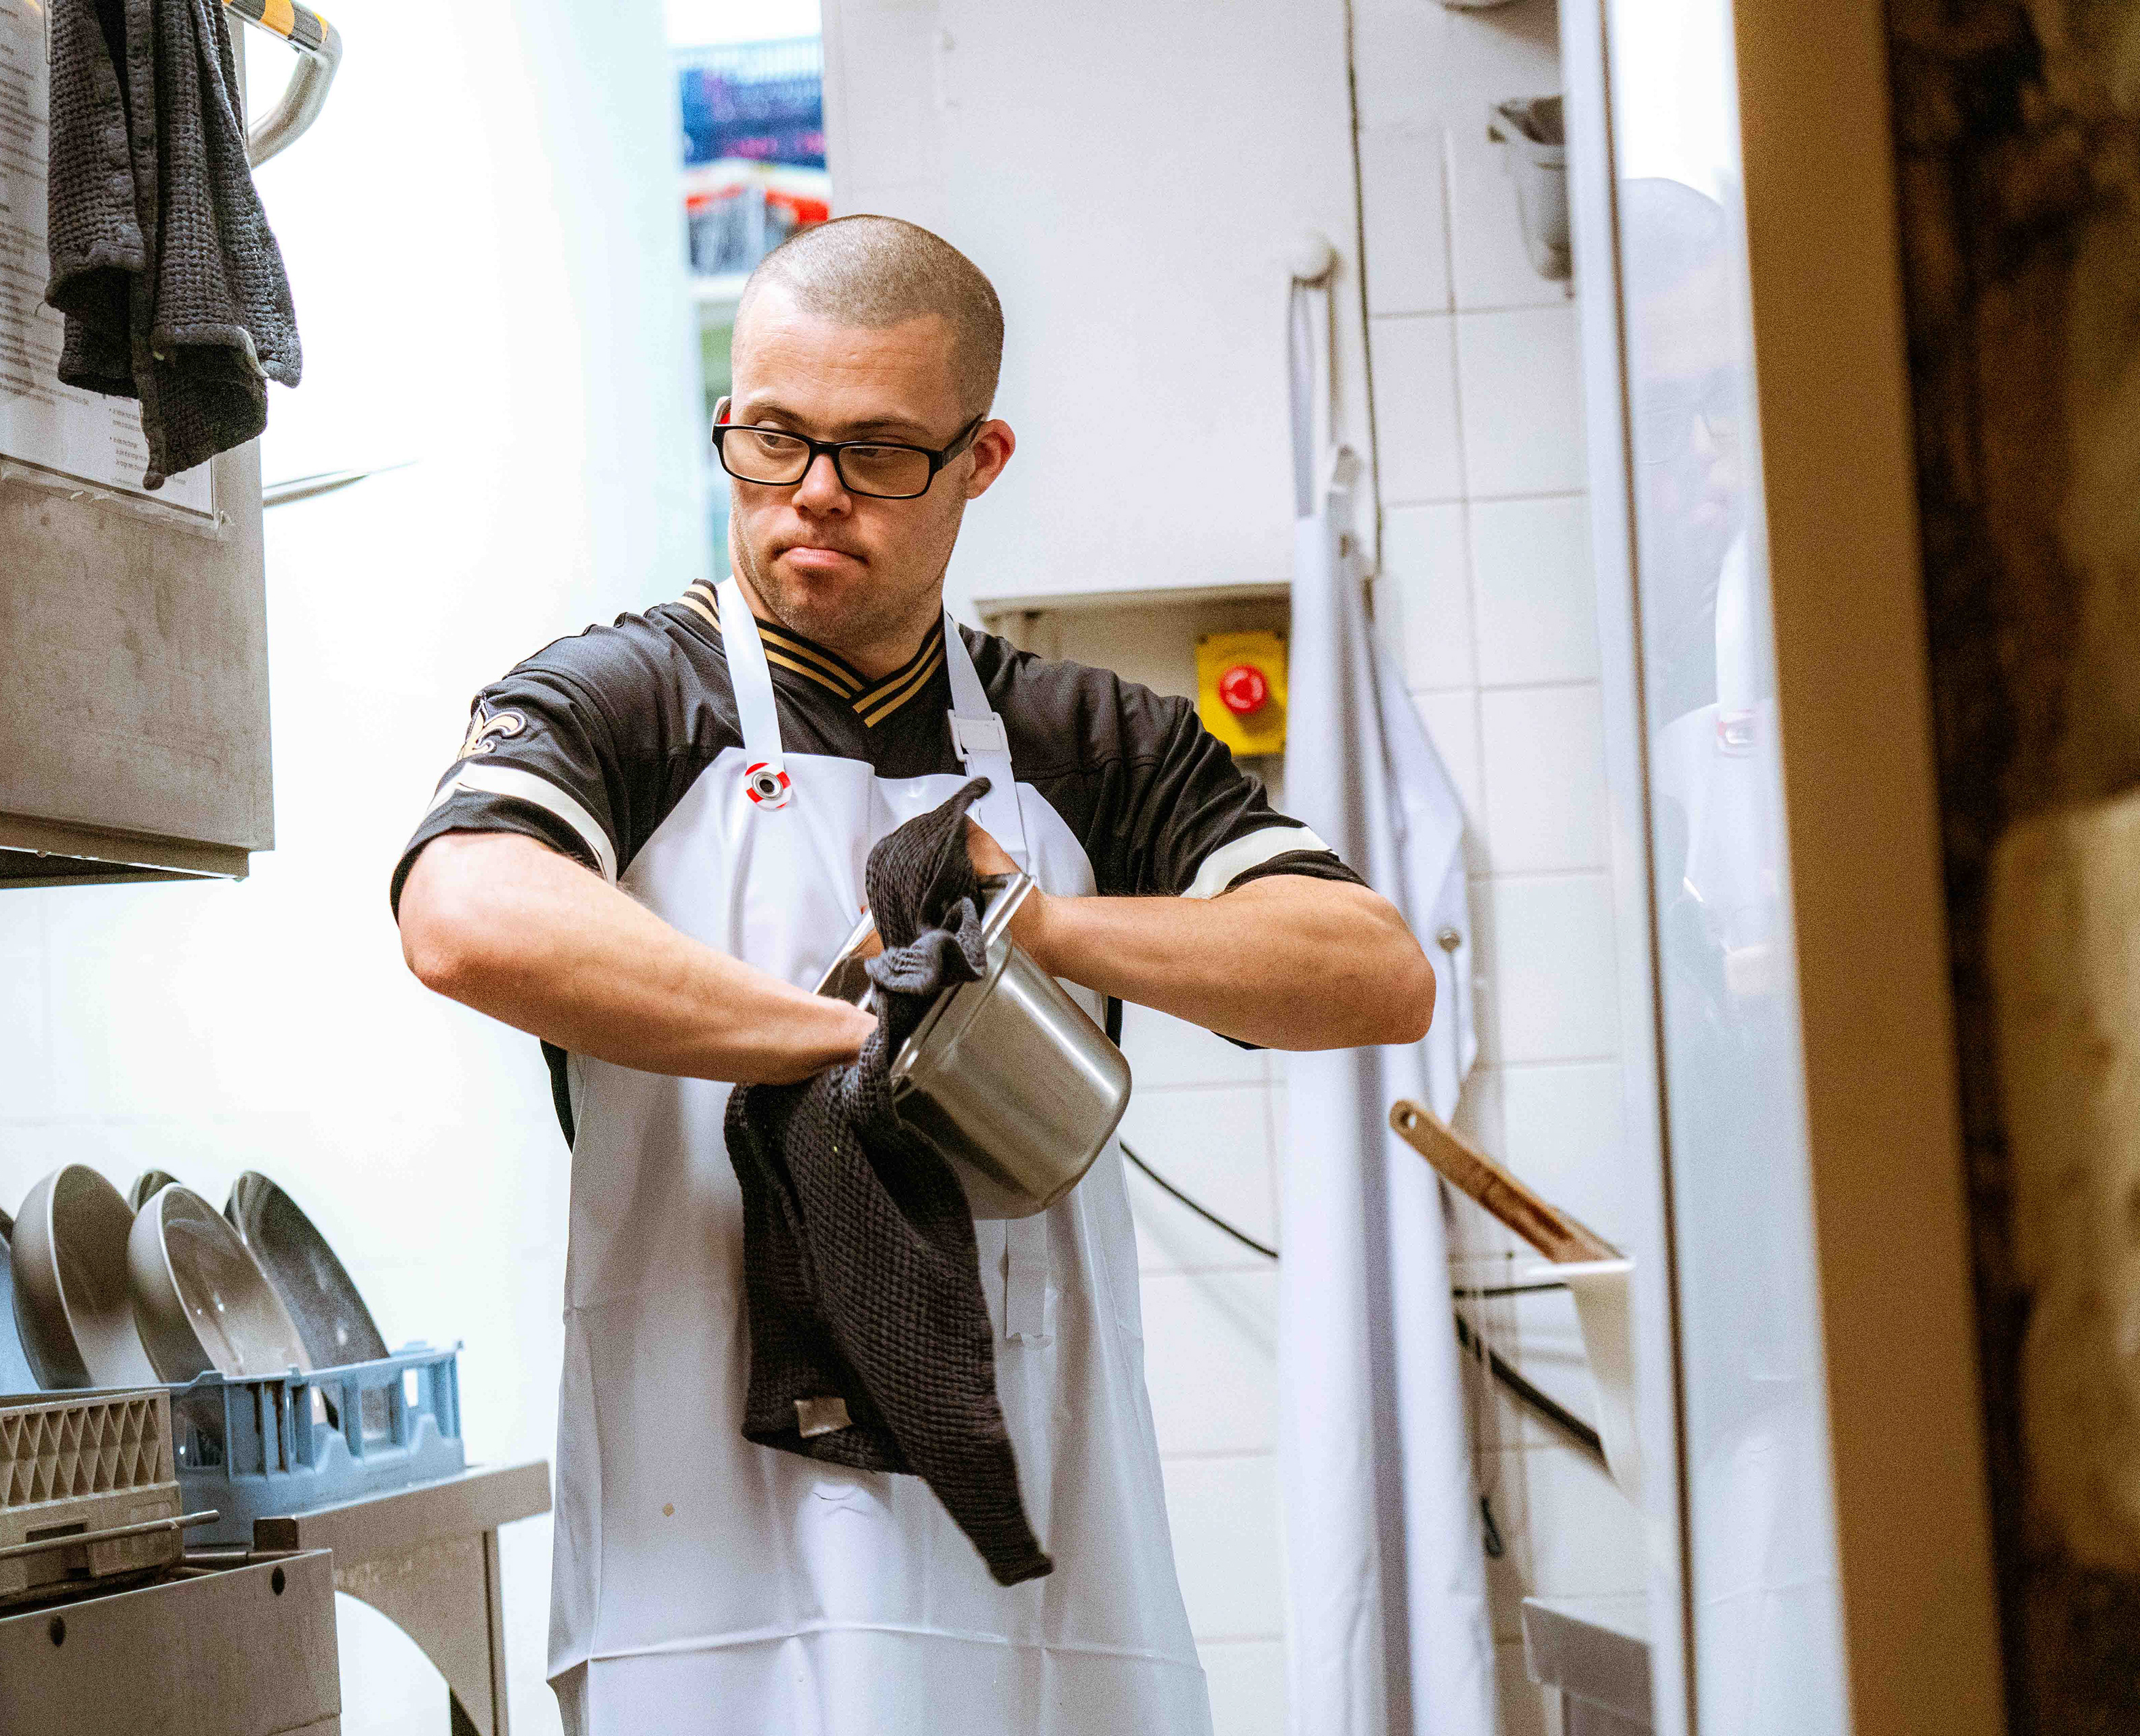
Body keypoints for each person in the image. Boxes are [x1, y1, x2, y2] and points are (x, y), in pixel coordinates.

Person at [392, 214, 1434, 1735]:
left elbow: (1374, 971)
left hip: (1044, 1547)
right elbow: (463, 912)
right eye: (773, 439)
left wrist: (1031, 934)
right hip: (711, 1565)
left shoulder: (1088, 741)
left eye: (878, 452)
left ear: (979, 459)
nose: (814, 491)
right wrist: (857, 1041)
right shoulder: (623, 702)